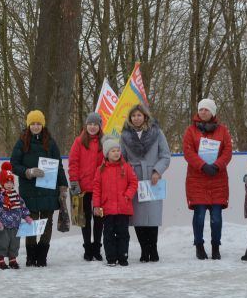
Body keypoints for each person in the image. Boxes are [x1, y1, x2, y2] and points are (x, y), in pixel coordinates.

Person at [9, 110, 68, 266]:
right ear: (28, 125)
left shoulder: (51, 143)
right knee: (31, 223)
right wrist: (28, 172)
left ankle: (42, 257)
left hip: (49, 189)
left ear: (43, 125)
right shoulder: (21, 142)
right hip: (29, 190)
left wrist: (63, 186)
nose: (36, 126)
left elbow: (59, 166)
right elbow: (14, 165)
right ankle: (30, 257)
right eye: (33, 124)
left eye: (38, 123)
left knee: (47, 223)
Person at [183, 98, 233, 260]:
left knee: (216, 218)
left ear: (213, 112)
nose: (203, 112)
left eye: (206, 110)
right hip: (197, 179)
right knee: (199, 216)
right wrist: (203, 166)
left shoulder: (223, 130)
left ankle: (215, 246)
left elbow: (227, 151)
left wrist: (217, 165)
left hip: (217, 179)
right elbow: (188, 151)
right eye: (201, 109)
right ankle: (199, 245)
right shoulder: (191, 130)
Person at [121, 104, 172, 262]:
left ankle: (153, 249)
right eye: (133, 116)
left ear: (145, 117)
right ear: (130, 119)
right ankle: (144, 250)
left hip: (152, 178)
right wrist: (127, 174)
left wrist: (157, 171)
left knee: (152, 216)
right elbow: (121, 159)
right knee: (138, 217)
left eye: (139, 115)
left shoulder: (157, 133)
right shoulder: (125, 136)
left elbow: (165, 155)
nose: (136, 118)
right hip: (133, 178)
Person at [92, 136, 138, 267]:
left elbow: (133, 183)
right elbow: (96, 189)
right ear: (107, 153)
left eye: (118, 150)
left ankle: (123, 257)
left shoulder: (126, 167)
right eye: (113, 151)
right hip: (107, 209)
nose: (116, 153)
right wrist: (96, 205)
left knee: (123, 234)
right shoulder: (100, 170)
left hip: (123, 208)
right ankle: (111, 258)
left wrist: (127, 196)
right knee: (108, 234)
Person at [68, 112, 105, 261]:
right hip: (82, 187)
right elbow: (73, 163)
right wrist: (74, 182)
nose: (92, 127)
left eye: (95, 124)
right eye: (90, 124)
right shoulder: (78, 142)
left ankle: (97, 247)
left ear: (99, 126)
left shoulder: (105, 141)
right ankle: (87, 248)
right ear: (86, 125)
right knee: (84, 218)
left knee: (99, 219)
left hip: (99, 188)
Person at [0, 162, 29, 270]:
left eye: (11, 182)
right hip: (3, 224)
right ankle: (0, 260)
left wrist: (26, 216)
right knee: (2, 242)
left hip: (15, 224)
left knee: (14, 242)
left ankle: (12, 259)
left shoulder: (16, 195)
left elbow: (22, 206)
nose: (10, 185)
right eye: (7, 182)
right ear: (1, 182)